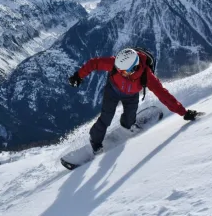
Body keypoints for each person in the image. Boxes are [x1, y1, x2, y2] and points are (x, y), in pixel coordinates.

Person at [68, 48, 200, 153]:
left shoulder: (147, 76)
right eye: (119, 70)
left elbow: (164, 95)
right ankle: (95, 142)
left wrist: (184, 112)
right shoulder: (116, 64)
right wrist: (78, 76)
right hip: (112, 90)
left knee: (129, 119)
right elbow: (94, 63)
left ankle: (127, 126)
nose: (120, 73)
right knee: (106, 117)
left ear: (133, 68)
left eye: (123, 72)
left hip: (131, 96)